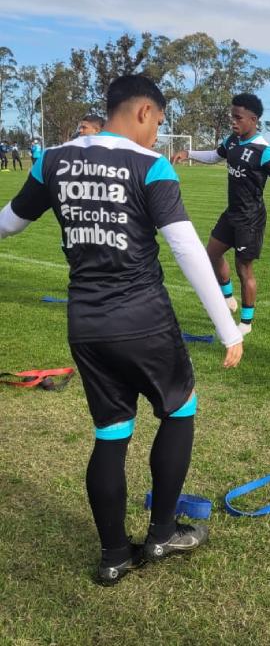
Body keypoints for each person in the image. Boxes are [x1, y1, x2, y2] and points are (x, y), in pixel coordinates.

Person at [0, 74, 243, 585]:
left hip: (86, 323)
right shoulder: (149, 165)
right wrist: (229, 328)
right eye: (158, 122)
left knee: (111, 433)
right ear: (143, 112)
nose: (157, 133)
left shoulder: (52, 160)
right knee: (179, 409)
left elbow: (9, 223)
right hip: (143, 318)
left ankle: (113, 555)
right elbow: (185, 248)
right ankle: (162, 534)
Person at [172, 93, 270, 335]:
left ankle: (246, 324)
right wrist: (188, 153)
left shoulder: (264, 150)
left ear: (253, 120)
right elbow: (214, 156)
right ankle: (227, 298)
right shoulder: (232, 141)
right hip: (232, 213)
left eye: (238, 118)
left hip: (251, 219)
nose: (233, 122)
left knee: (243, 269)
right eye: (232, 117)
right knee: (212, 254)